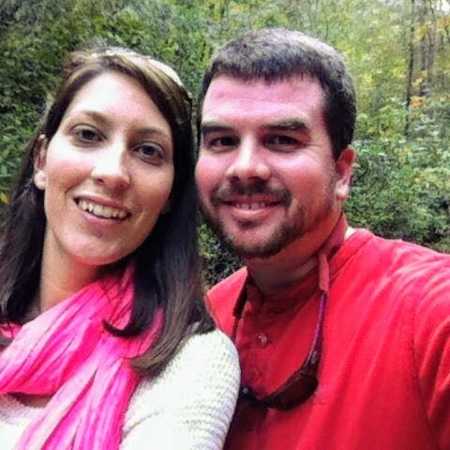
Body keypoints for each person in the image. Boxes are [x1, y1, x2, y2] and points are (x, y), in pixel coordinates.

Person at [195, 28, 450, 450]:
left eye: (282, 140)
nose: (244, 167)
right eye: (222, 141)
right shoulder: (205, 322)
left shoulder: (429, 311)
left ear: (342, 173)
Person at [0, 46, 239, 449]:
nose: (112, 172)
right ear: (43, 159)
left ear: (169, 195)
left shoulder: (191, 364)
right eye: (88, 135)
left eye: (148, 151)